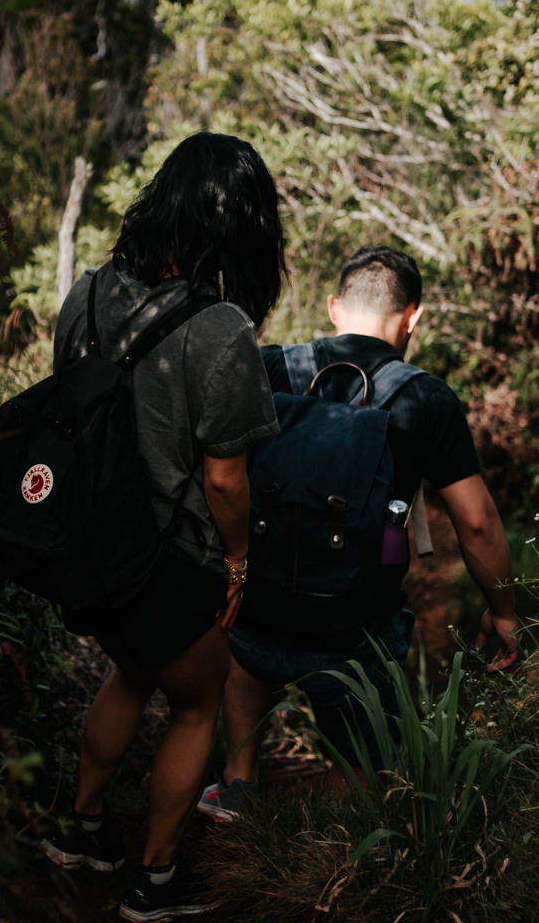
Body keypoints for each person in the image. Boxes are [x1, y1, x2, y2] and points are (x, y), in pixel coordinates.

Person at [37, 132, 286, 923]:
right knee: (196, 703)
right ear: (240, 226)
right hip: (169, 562)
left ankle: (81, 828)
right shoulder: (221, 332)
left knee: (134, 670)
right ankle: (155, 880)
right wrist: (241, 561)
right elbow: (224, 477)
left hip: (84, 547)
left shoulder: (84, 294)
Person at [201, 245, 518, 818]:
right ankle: (358, 824)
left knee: (246, 652)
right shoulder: (426, 398)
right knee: (372, 739)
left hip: (261, 607)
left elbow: (216, 474)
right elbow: (476, 520)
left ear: (333, 307)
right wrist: (504, 608)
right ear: (412, 315)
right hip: (355, 627)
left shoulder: (271, 367)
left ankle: (238, 784)